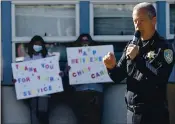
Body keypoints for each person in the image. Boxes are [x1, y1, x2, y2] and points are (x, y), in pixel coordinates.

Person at [103, 2, 175, 124]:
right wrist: (111, 67)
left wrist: (137, 58)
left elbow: (159, 77)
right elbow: (118, 76)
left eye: (141, 20)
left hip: (154, 114)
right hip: (132, 113)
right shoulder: (131, 45)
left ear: (153, 20)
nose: (137, 25)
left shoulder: (164, 48)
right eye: (135, 21)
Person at [68, 34, 104, 124]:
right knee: (82, 118)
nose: (85, 43)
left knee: (95, 118)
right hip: (80, 91)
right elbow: (69, 77)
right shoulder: (73, 57)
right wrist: (68, 70)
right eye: (82, 41)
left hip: (95, 90)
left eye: (87, 41)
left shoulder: (99, 57)